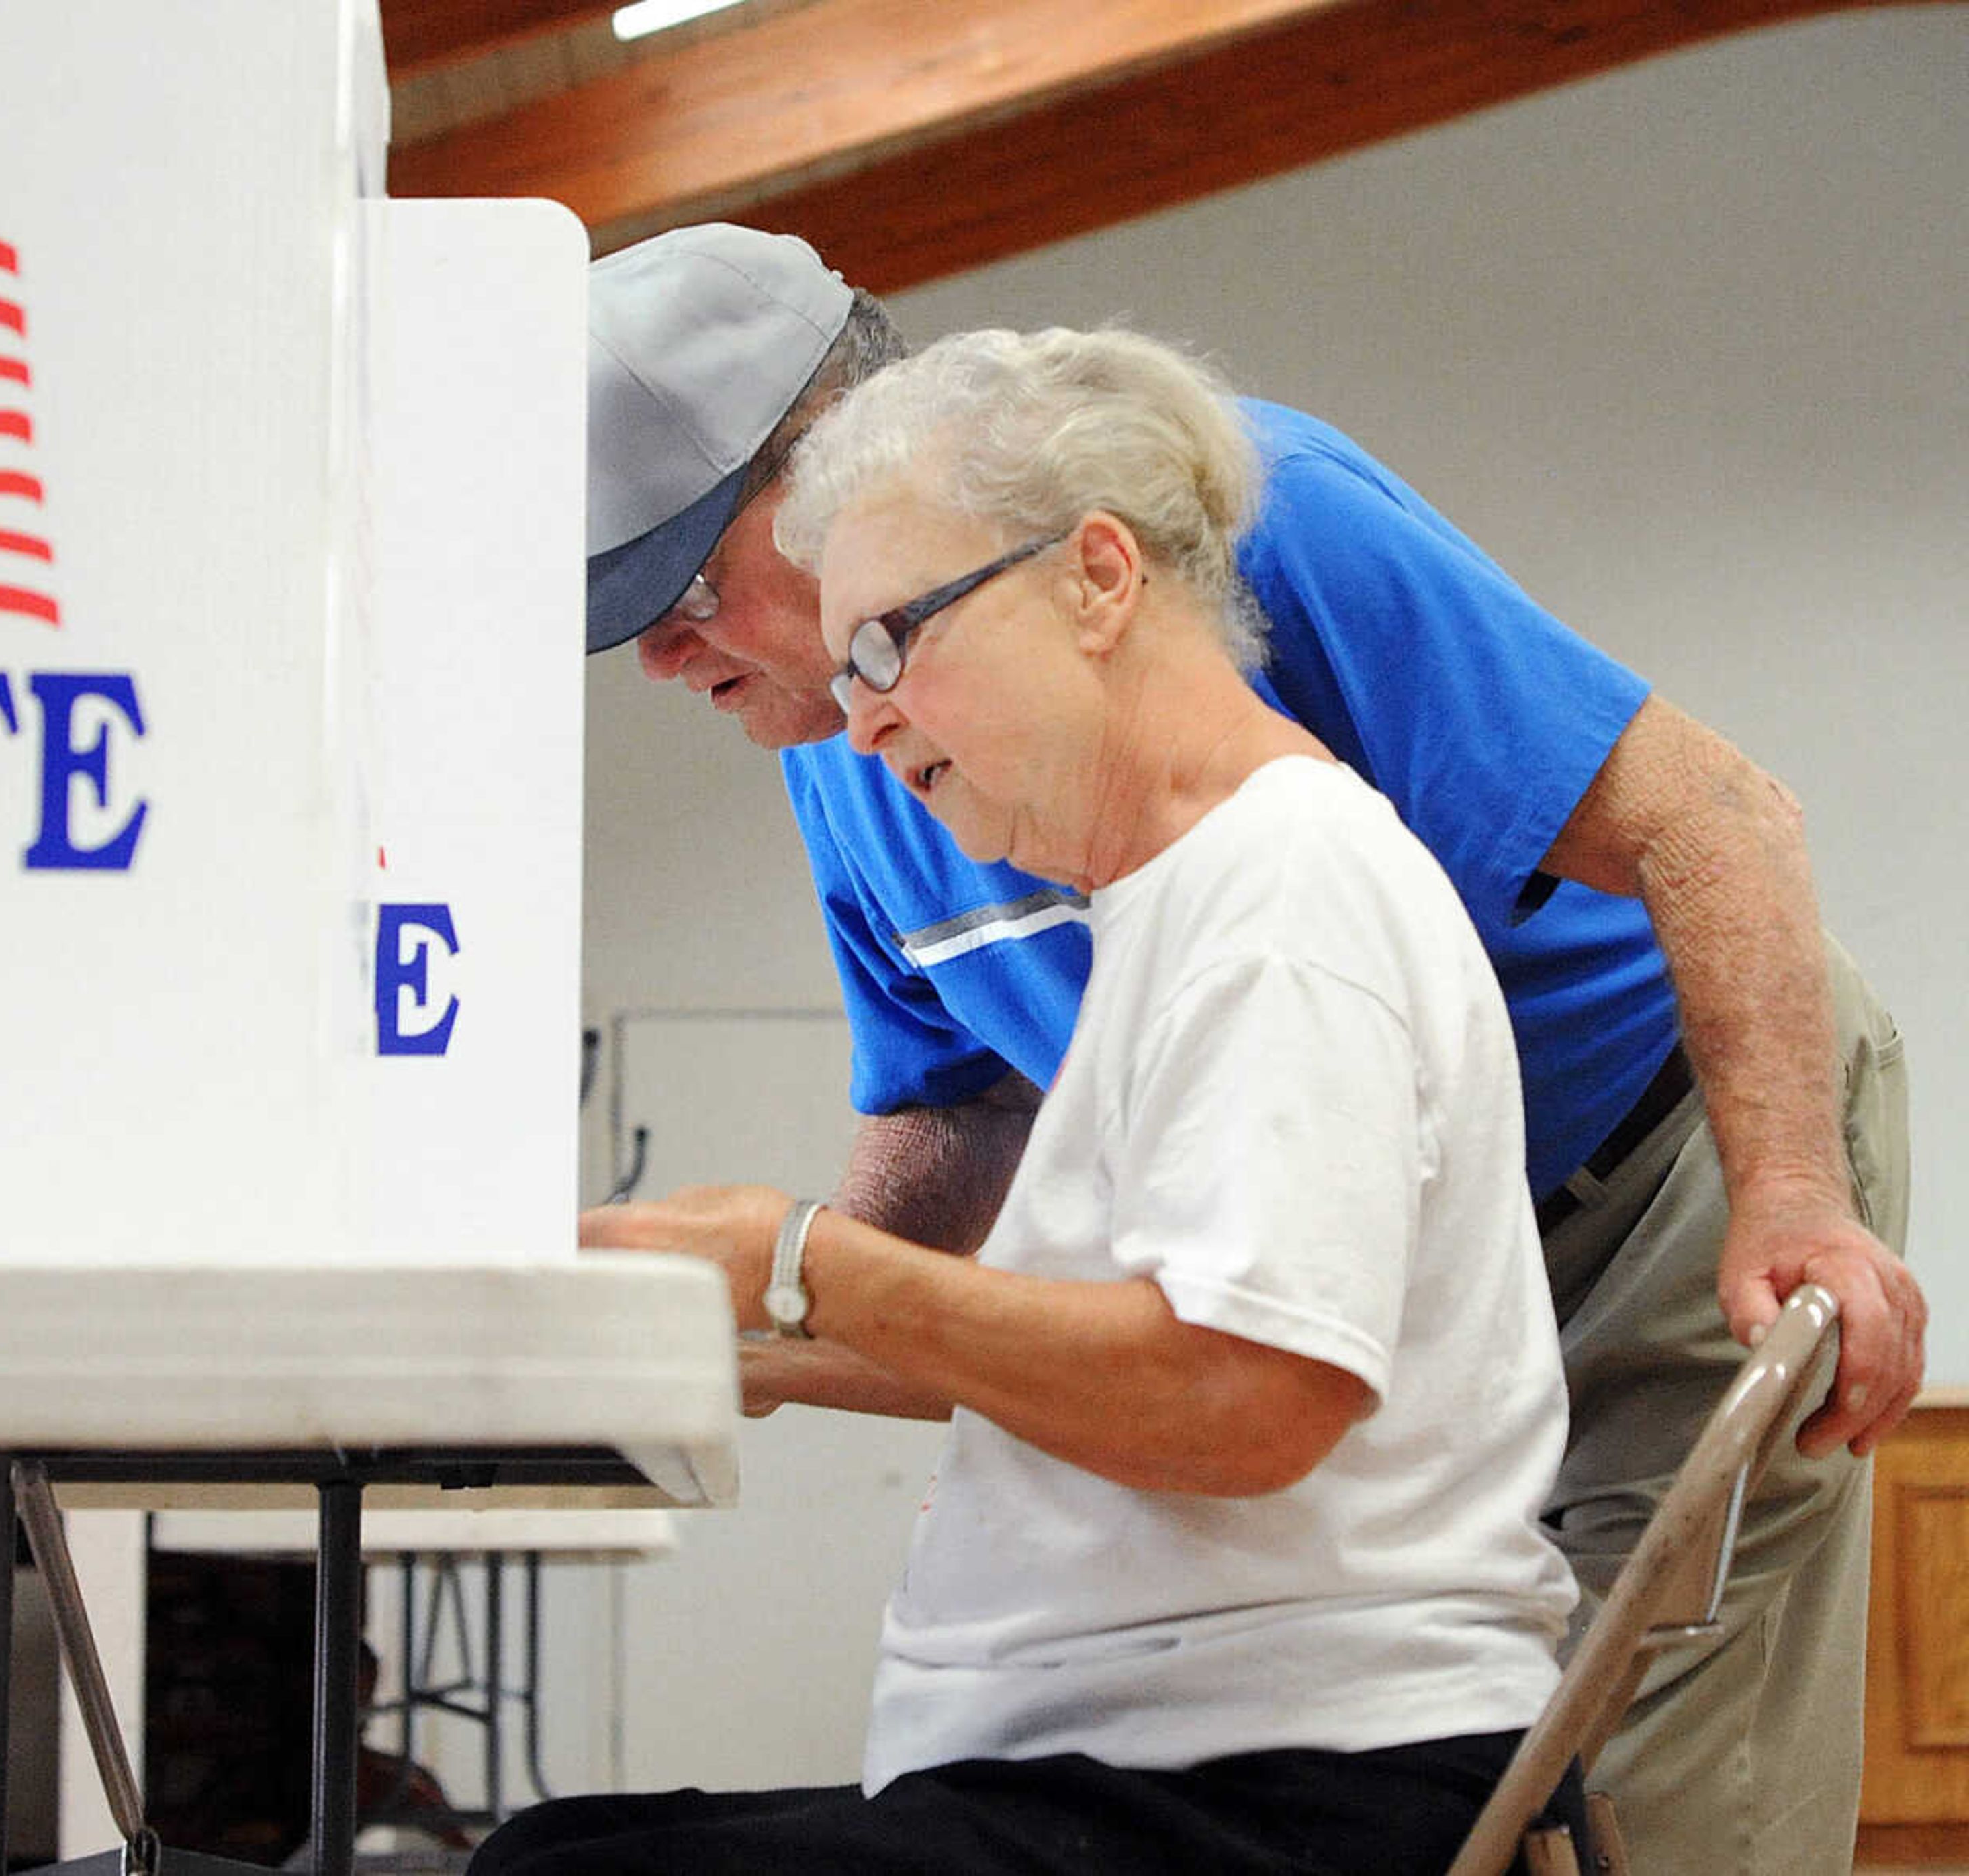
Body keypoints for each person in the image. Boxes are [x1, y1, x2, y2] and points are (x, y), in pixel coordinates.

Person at [581, 222, 1921, 1875]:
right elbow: (958, 1116)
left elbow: (1710, 814)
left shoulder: (1233, 526)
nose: (657, 659)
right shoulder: (857, 740)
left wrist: (1794, 1188)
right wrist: (717, 1322)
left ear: (834, 470)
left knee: (1643, 1785)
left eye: (690, 588)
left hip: (1651, 1156)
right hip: (1348, 1259)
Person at [482, 322, 1583, 1876]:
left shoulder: (1280, 904)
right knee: (548, 1846)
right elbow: (1114, 1365)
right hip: (1175, 1758)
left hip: (1266, 1786)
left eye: (892, 645)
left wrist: (803, 1258)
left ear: (1100, 579)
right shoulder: (1176, 900)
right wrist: (738, 1321)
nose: (861, 722)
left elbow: (1243, 1396)